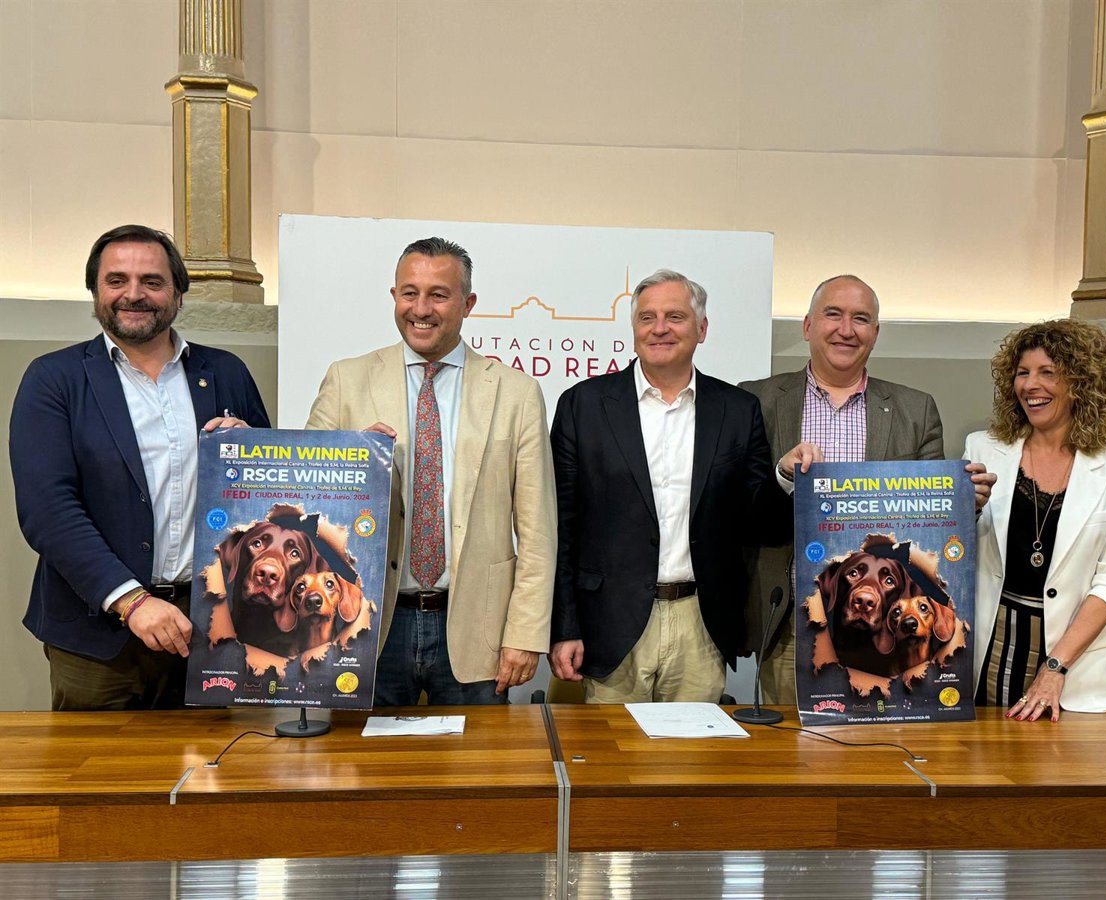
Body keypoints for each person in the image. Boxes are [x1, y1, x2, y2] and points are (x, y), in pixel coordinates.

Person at [11, 224, 270, 711]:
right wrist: (130, 600)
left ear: (178, 294)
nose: (134, 294)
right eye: (117, 280)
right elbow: (48, 511)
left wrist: (250, 455)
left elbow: (269, 501)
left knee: (211, 759)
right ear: (95, 291)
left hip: (210, 630)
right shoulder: (54, 379)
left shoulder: (225, 373)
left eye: (152, 281)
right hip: (97, 637)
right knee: (98, 762)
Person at [306, 237, 555, 705]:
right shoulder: (346, 380)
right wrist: (353, 462)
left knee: (478, 754)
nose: (421, 309)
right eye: (409, 293)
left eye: (438, 294)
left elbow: (538, 531)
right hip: (366, 625)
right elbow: (305, 503)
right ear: (394, 296)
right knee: (364, 754)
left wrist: (525, 633)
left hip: (477, 631)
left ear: (468, 304)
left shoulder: (516, 393)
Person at [740, 274, 994, 705]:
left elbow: (930, 525)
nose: (846, 329)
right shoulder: (757, 400)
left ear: (875, 333)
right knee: (793, 743)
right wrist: (782, 476)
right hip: (794, 627)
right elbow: (738, 507)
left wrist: (964, 504)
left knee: (879, 745)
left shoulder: (915, 410)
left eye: (860, 319)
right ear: (807, 326)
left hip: (888, 633)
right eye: (833, 314)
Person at [549, 269, 791, 703]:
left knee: (691, 748)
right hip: (609, 625)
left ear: (702, 329)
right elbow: (561, 527)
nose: (659, 328)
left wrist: (784, 478)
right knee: (611, 749)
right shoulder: (582, 405)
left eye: (675, 317)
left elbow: (756, 521)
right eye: (647, 318)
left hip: (701, 622)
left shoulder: (737, 410)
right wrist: (564, 627)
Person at [966, 319, 1106, 720]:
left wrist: (1055, 667)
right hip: (991, 648)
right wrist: (969, 508)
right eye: (1023, 373)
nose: (1031, 385)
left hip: (1078, 663)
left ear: (1082, 383)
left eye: (1048, 373)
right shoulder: (982, 449)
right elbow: (956, 551)